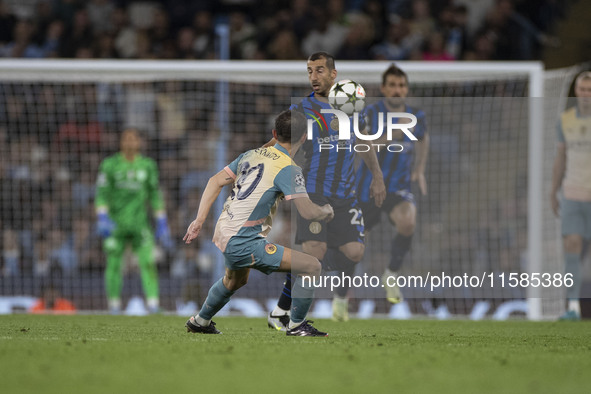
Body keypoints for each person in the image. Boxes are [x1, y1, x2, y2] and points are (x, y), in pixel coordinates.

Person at [183, 110, 334, 336]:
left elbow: (215, 181)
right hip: (244, 239)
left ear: (274, 133)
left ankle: (200, 321)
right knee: (311, 266)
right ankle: (296, 325)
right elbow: (308, 212)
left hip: (225, 230)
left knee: (235, 280)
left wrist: (199, 220)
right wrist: (326, 211)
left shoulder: (251, 155)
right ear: (304, 138)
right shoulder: (289, 169)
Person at [267, 52, 386, 327]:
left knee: (354, 252)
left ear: (334, 74)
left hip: (346, 194)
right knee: (315, 254)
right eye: (309, 71)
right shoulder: (301, 109)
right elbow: (280, 145)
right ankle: (291, 318)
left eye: (319, 70)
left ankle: (283, 303)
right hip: (314, 191)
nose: (313, 77)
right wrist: (255, 164)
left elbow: (363, 143)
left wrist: (377, 177)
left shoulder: (353, 106)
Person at [356, 64, 429, 304]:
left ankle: (391, 273)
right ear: (384, 89)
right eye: (393, 86)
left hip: (399, 188)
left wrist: (419, 169)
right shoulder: (369, 114)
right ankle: (341, 293)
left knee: (408, 222)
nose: (398, 90)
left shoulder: (417, 116)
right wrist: (392, 135)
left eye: (402, 85)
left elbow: (423, 138)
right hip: (368, 187)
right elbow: (361, 147)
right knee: (352, 248)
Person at [95, 128, 172, 314]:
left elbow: (154, 195)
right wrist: (102, 217)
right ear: (121, 142)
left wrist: (161, 220)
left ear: (139, 143)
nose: (130, 143)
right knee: (114, 264)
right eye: (126, 139)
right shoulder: (110, 165)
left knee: (148, 262)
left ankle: (153, 305)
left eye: (133, 139)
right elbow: (102, 194)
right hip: (116, 224)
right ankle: (113, 306)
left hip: (140, 224)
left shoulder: (147, 165)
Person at [550, 70, 591, 321]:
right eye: (582, 90)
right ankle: (573, 306)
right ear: (576, 92)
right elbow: (560, 158)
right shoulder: (565, 121)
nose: (586, 95)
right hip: (573, 193)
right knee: (572, 246)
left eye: (590, 91)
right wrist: (552, 190)